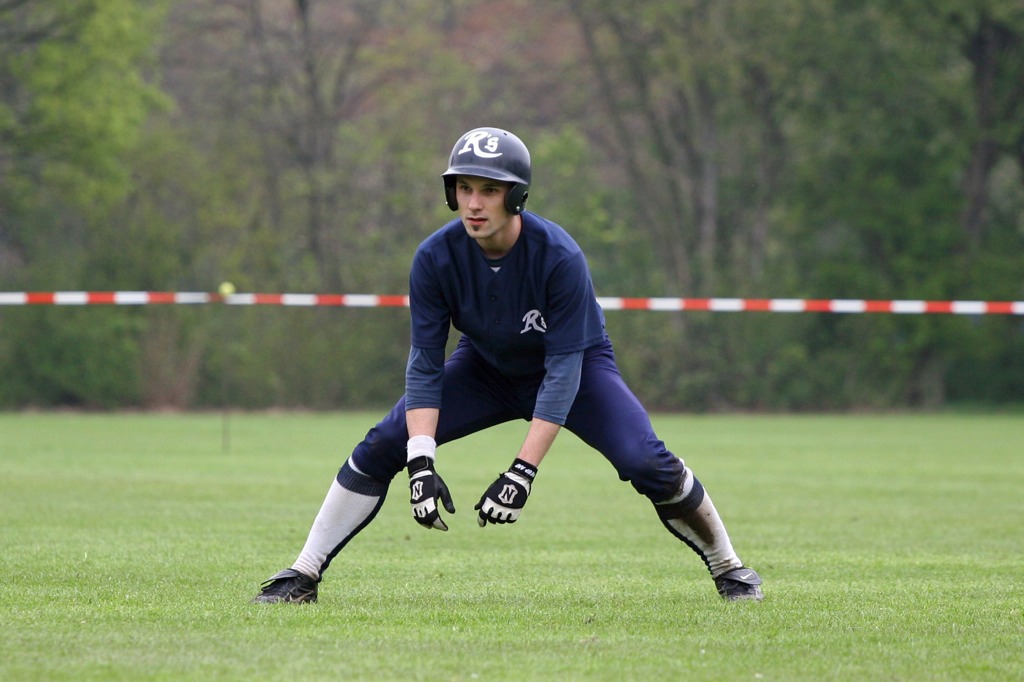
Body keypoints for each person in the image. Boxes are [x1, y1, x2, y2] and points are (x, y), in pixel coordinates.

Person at [254, 126, 763, 603]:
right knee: (385, 443)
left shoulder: (559, 256)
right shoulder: (434, 258)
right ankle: (303, 572)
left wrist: (522, 472)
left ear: (516, 196)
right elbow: (426, 364)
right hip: (485, 367)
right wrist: (422, 459)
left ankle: (731, 568)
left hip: (574, 368)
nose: (474, 203)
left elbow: (562, 374)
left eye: (490, 190)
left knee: (644, 460)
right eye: (464, 188)